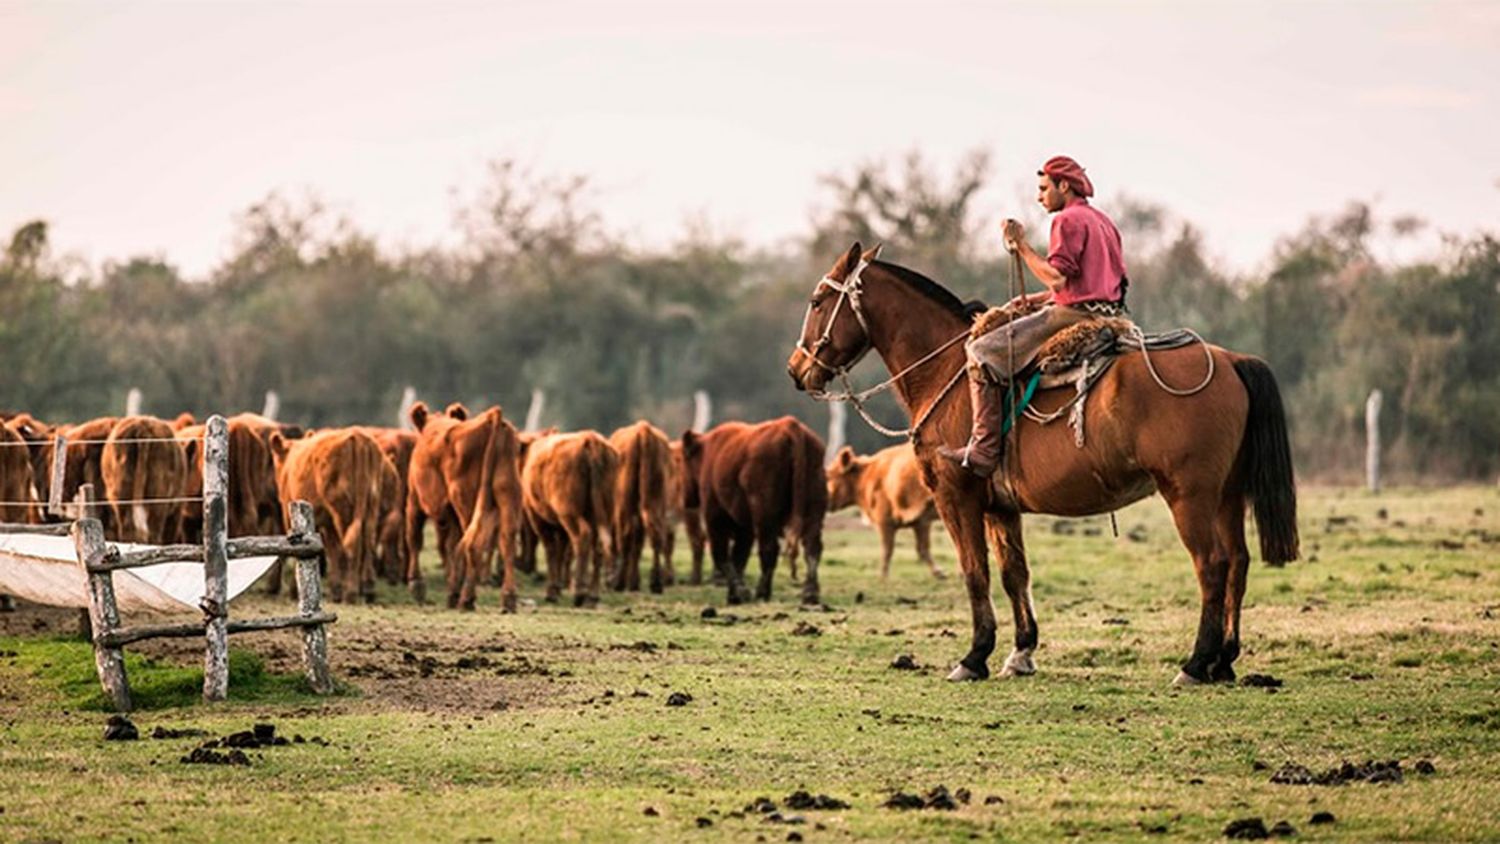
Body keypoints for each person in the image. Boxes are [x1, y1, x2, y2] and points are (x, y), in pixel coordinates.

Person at [938, 155, 1128, 478]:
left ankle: (983, 449)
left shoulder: (1066, 221)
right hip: (1109, 313)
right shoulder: (1102, 221)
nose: (1039, 196)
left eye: (1043, 188)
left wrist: (1021, 246)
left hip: (1074, 317)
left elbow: (1057, 279)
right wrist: (1032, 302)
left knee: (980, 352)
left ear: (1063, 185)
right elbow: (1087, 284)